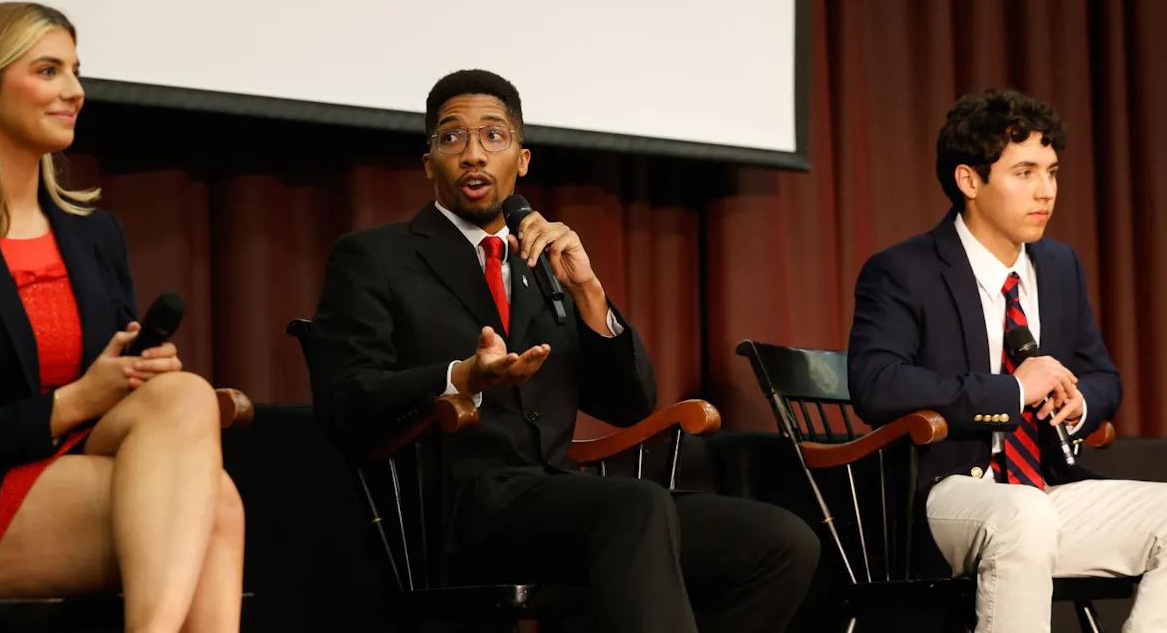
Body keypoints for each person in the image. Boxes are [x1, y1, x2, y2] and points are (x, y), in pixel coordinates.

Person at [304, 69, 819, 633]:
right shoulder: (376, 258)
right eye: (452, 138)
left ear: (521, 160)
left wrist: (588, 291)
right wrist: (460, 377)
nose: (473, 154)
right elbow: (344, 400)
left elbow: (630, 405)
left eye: (494, 136)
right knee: (636, 506)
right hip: (461, 511)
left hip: (561, 498)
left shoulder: (541, 264)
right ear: (430, 163)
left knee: (783, 543)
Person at [0, 2, 243, 633]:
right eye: (49, 70)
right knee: (215, 500)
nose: (76, 91)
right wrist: (76, 401)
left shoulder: (95, 236)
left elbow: (117, 403)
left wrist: (133, 376)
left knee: (183, 396)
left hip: (85, 465)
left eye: (76, 71)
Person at [847, 88, 1167, 632]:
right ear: (969, 180)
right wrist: (1013, 392)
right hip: (945, 496)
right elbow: (877, 384)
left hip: (1044, 488)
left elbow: (1103, 378)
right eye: (1024, 172)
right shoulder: (905, 269)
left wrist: (1077, 404)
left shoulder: (1058, 265)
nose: (1046, 190)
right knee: (1024, 516)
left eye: (1051, 171)